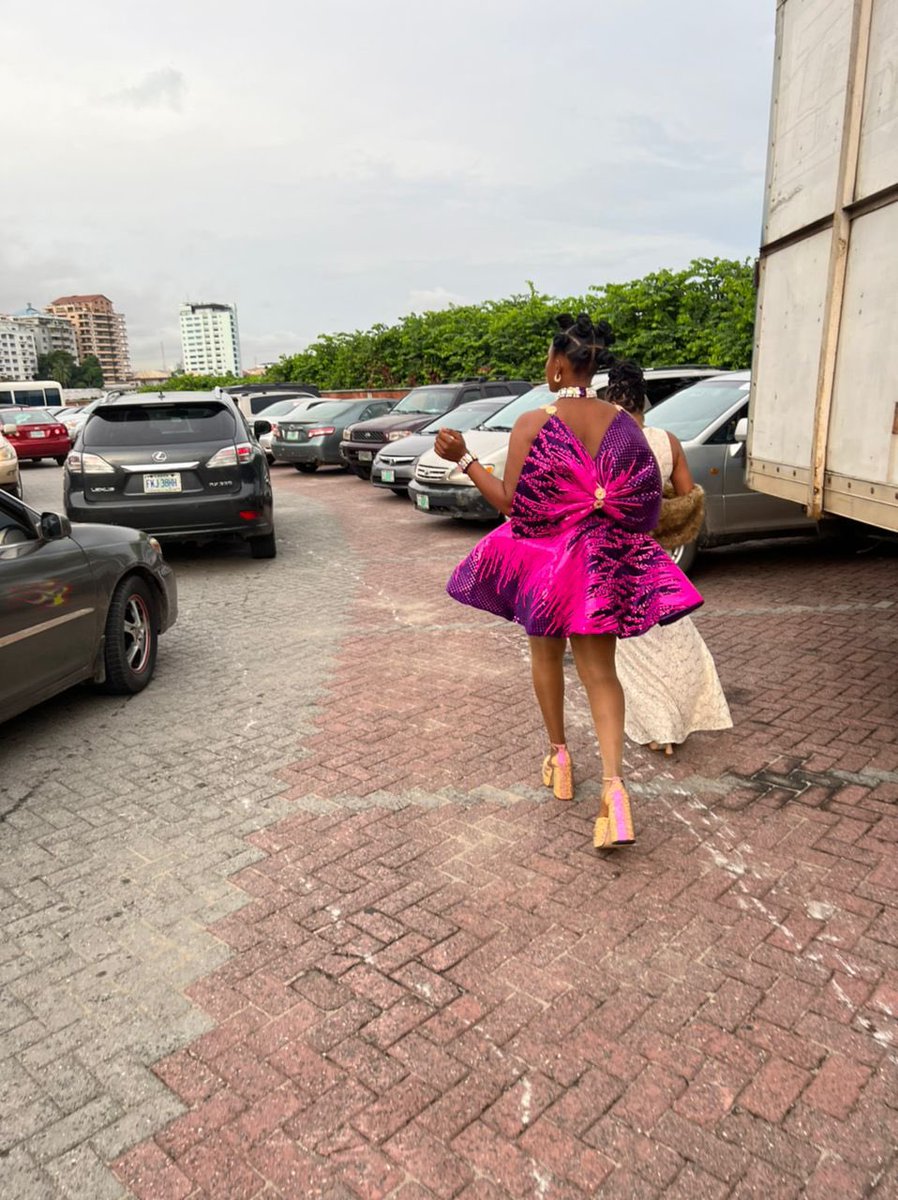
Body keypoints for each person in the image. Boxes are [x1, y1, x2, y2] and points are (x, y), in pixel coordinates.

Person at [435, 314, 702, 850]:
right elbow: (645, 508)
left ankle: (559, 759)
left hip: (547, 566)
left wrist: (462, 456)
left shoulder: (534, 422)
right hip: (601, 568)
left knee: (545, 659)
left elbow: (512, 505)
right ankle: (615, 790)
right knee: (601, 674)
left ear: (558, 365)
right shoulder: (625, 425)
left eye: (548, 361)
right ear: (595, 364)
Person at [606, 362, 733, 754]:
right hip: (653, 554)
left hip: (612, 555)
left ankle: (657, 726)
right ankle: (675, 720)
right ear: (645, 399)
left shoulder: (602, 441)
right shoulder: (667, 441)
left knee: (631, 645)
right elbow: (688, 499)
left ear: (610, 398)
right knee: (672, 636)